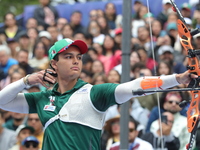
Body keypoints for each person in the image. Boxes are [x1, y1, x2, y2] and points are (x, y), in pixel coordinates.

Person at [0, 38, 197, 150]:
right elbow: (3, 101)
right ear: (54, 64)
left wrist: (177, 79)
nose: (76, 61)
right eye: (68, 57)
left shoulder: (94, 93)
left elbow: (134, 86)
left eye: (79, 57)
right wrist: (26, 81)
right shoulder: (42, 98)